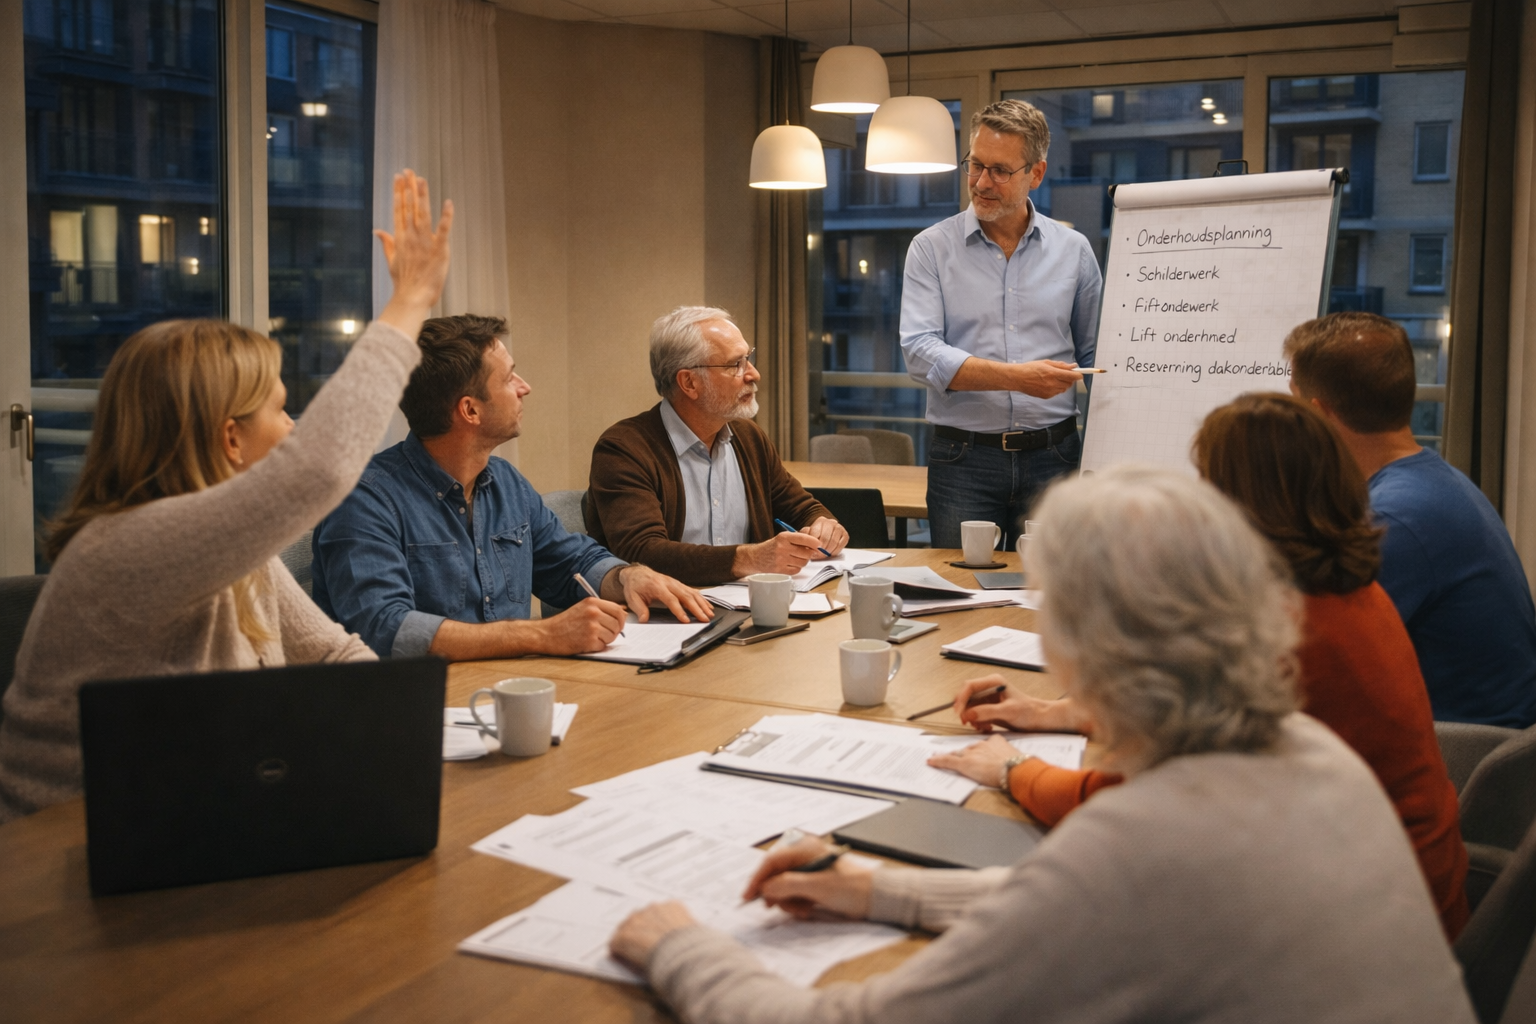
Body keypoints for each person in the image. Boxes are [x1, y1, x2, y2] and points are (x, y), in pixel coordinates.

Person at [607, 466, 1474, 1024]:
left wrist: (677, 944)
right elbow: (1072, 909)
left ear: (1085, 646)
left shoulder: (1144, 841)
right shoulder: (1308, 751)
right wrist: (884, 892)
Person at [0, 171, 452, 822]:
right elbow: (319, 469)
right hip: (64, 860)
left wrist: (413, 729)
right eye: (281, 411)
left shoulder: (229, 551)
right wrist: (409, 301)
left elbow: (329, 654)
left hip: (187, 822)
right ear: (230, 439)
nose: (293, 429)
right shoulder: (130, 547)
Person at [932, 393, 1469, 938]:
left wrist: (1012, 769)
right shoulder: (1341, 589)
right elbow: (1195, 719)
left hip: (1364, 923)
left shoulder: (1288, 628)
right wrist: (1053, 714)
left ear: (1237, 499)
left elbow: (1136, 805)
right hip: (1396, 884)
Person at [311, 315, 712, 660]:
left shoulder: (504, 481)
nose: (524, 387)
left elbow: (568, 561)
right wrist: (541, 634)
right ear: (470, 410)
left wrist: (627, 577)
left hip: (512, 688)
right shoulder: (364, 500)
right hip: (417, 712)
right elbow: (385, 628)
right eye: (508, 378)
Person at [1285, 311, 1536, 728]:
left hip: (1461, 751)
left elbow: (1304, 659)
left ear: (1319, 413)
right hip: (1490, 746)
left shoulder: (1395, 519)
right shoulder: (1434, 481)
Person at [900, 99, 1102, 550]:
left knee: (1056, 592)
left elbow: (1095, 355)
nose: (981, 182)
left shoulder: (1074, 251)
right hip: (963, 459)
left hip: (1056, 456)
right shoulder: (930, 249)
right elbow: (918, 350)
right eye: (975, 165)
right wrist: (1016, 378)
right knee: (960, 595)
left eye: (1000, 170)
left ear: (1037, 173)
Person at [587, 306, 848, 587]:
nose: (754, 374)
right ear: (689, 382)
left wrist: (824, 526)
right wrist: (749, 559)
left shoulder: (749, 438)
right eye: (735, 365)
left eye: (749, 359)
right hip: (666, 619)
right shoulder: (624, 449)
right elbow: (642, 553)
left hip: (747, 611)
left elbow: (800, 507)